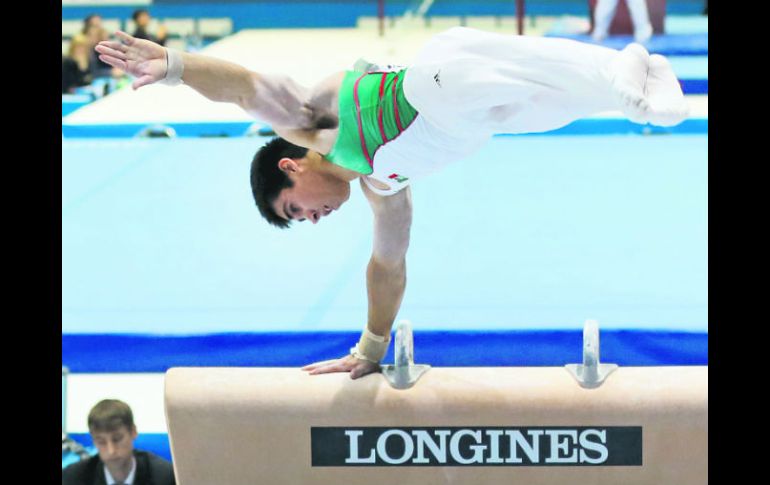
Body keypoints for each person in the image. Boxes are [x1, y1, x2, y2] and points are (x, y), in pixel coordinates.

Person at [95, 27, 688, 379]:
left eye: (294, 208)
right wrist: (370, 350)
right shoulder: (385, 189)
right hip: (473, 121)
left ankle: (615, 68)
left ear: (290, 166)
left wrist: (176, 66)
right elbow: (388, 268)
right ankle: (634, 79)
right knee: (539, 112)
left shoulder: (313, 125)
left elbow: (249, 88)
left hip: (438, 79)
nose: (311, 218)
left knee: (472, 85)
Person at [62, 399, 176, 485]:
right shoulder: (73, 479)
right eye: (101, 442)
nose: (111, 450)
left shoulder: (165, 477)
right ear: (93, 440)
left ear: (133, 432)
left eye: (117, 439)